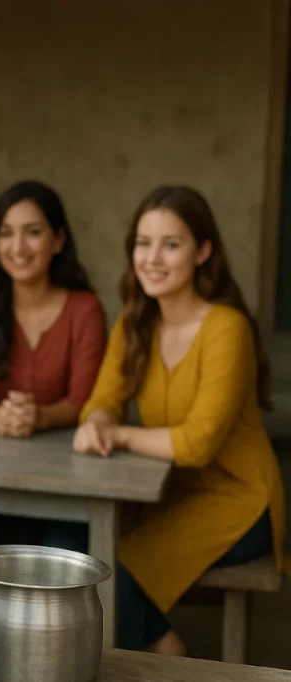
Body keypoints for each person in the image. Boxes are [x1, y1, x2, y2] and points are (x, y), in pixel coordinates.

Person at [73, 185, 286, 655]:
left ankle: (169, 656)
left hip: (240, 502)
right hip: (168, 493)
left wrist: (119, 432)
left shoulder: (226, 328)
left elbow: (197, 445)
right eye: (143, 243)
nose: (153, 257)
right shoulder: (133, 326)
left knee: (109, 568)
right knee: (81, 549)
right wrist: (99, 420)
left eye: (171, 244)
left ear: (203, 252)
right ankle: (164, 649)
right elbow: (99, 402)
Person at [0, 180, 106, 598]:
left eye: (33, 232)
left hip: (64, 481)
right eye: (6, 232)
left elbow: (84, 400)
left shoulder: (84, 308)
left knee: (61, 567)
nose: (19, 246)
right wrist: (0, 416)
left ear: (58, 240)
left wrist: (40, 417)